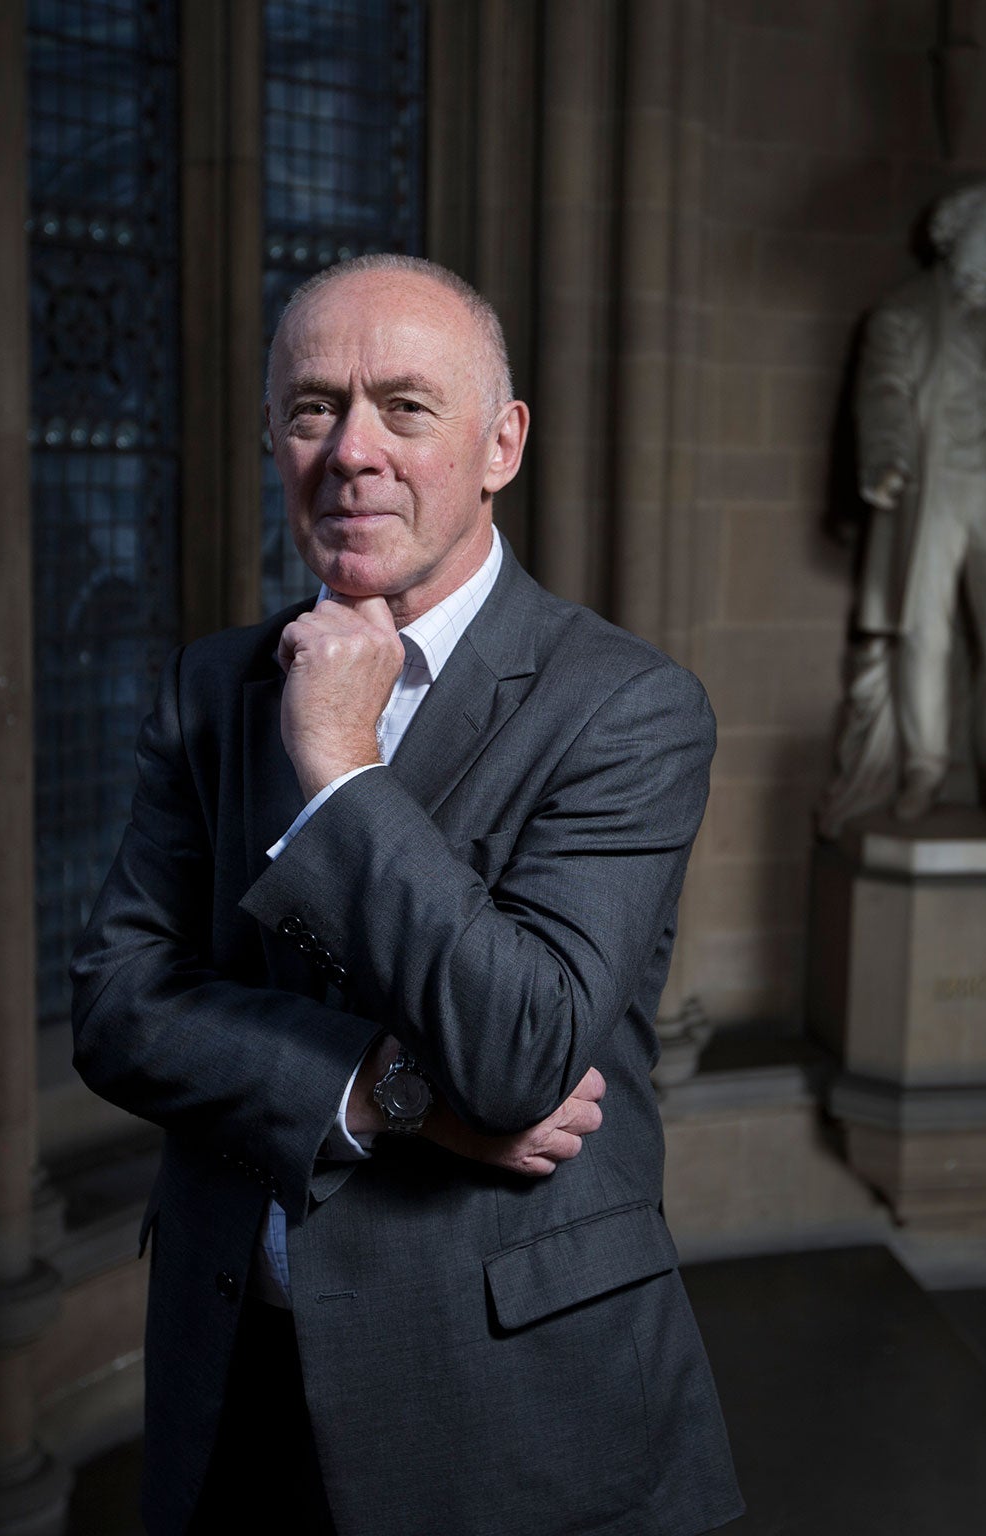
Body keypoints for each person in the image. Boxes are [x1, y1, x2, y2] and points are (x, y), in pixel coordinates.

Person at [72, 253, 743, 1535]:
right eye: (313, 407)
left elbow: (518, 1053)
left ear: (501, 443)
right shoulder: (211, 688)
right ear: (273, 436)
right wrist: (381, 1096)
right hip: (234, 1382)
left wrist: (340, 768)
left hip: (501, 1400)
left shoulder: (627, 707)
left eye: (405, 407)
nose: (351, 451)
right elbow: (114, 1002)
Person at [823, 180, 986, 843]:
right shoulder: (904, 314)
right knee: (923, 635)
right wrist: (887, 460)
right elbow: (883, 395)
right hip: (933, 493)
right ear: (953, 233)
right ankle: (923, 770)